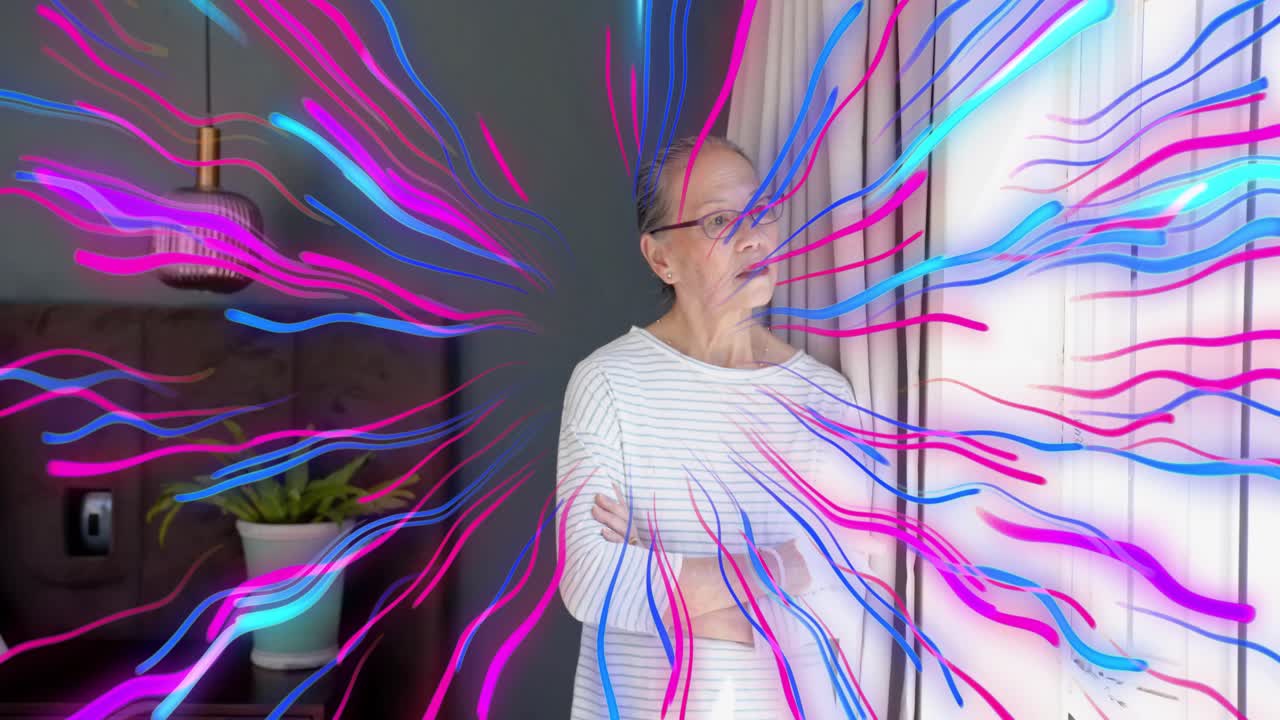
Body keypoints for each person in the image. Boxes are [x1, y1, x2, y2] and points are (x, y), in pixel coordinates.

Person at [556, 136, 892, 719]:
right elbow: (591, 580)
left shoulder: (825, 400)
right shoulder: (608, 383)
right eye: (719, 221)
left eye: (761, 213)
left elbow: (845, 598)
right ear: (661, 258)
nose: (754, 236)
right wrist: (782, 564)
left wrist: (660, 568)